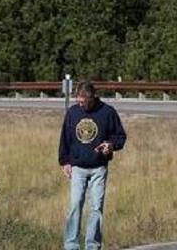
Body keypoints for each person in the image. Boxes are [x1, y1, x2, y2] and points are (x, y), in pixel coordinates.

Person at [59, 81, 127, 250]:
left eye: (83, 101)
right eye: (78, 100)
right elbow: (65, 138)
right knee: (75, 206)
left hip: (99, 168)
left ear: (92, 98)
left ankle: (93, 245)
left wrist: (111, 145)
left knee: (96, 208)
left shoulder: (107, 112)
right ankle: (71, 245)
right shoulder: (73, 113)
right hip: (77, 167)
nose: (79, 103)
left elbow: (120, 136)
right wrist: (64, 161)